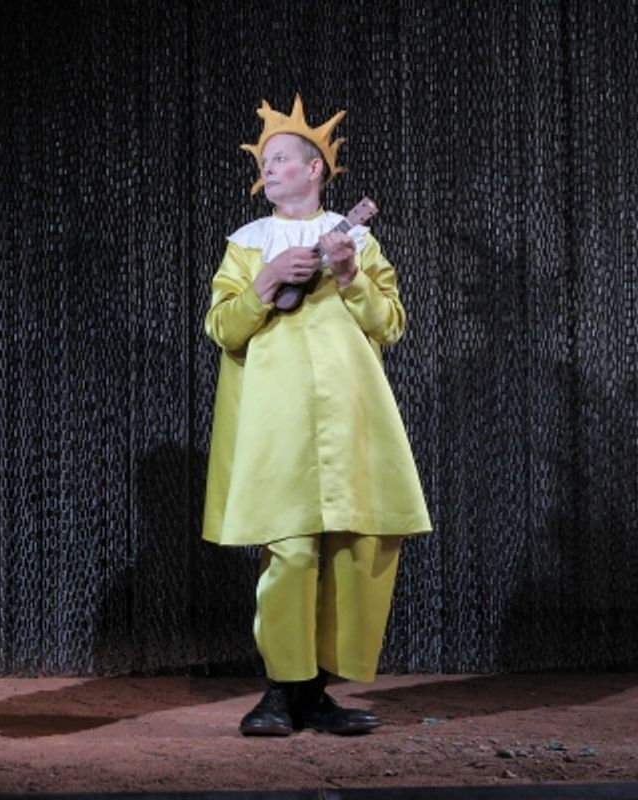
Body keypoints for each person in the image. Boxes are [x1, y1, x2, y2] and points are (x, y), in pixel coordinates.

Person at [201, 95, 431, 737]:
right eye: (265, 162)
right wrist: (265, 282)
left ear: (314, 170)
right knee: (291, 551)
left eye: (280, 159)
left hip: (350, 418)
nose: (268, 169)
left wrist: (352, 274)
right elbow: (222, 326)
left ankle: (317, 692)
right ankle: (280, 689)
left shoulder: (356, 239)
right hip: (276, 423)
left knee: (356, 550)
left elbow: (389, 323)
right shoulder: (247, 246)